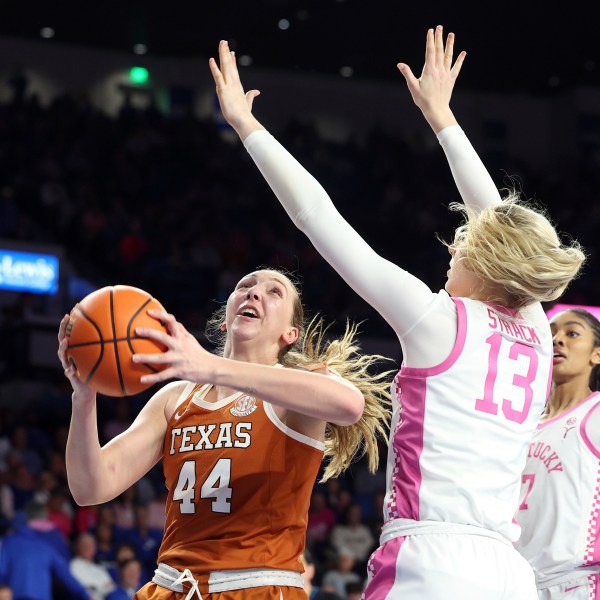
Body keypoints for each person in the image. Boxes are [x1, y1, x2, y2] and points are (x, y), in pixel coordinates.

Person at [209, 25, 585, 599]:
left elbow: (317, 215)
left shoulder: (438, 322)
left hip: (429, 560)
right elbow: (504, 224)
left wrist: (248, 128)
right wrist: (443, 119)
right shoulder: (535, 328)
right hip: (509, 573)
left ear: (487, 263)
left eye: (461, 244)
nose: (452, 249)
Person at [59, 268, 391, 600]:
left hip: (257, 587)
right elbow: (91, 487)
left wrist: (210, 366)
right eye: (245, 286)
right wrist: (84, 397)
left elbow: (349, 405)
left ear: (290, 334)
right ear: (224, 319)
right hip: (171, 586)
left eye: (275, 292)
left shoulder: (299, 386)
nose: (254, 292)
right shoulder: (175, 398)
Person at [515, 309, 600, 599]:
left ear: (597, 355)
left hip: (577, 583)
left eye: (571, 333)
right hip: (518, 585)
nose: (557, 340)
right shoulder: (521, 424)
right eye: (551, 334)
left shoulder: (595, 411)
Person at [0, 510, 89, 600]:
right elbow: (66, 576)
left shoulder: (7, 543)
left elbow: (1, 571)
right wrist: (86, 595)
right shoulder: (44, 545)